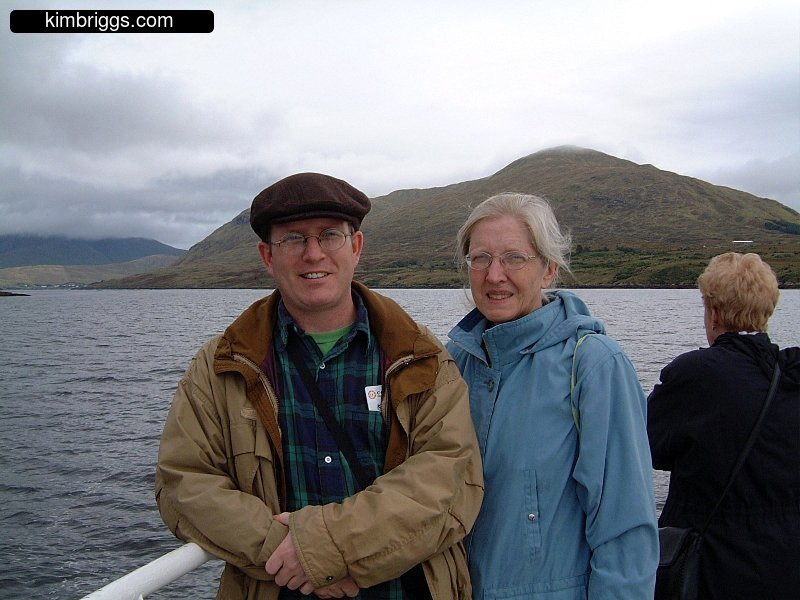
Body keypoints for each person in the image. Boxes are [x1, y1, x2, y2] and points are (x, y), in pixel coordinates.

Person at [155, 172, 484, 599]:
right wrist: (298, 556)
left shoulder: (421, 356)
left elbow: (451, 474)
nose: (313, 253)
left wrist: (326, 551)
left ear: (356, 247)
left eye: (330, 235)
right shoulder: (220, 366)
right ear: (267, 256)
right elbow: (184, 483)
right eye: (293, 239)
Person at [446, 193, 659, 598]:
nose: (494, 275)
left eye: (514, 258)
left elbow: (626, 531)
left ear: (548, 270)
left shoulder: (595, 364)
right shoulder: (453, 364)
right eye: (480, 259)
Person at [648, 252, 800, 599]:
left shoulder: (696, 375)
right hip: (787, 569)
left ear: (714, 312)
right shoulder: (791, 377)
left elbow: (645, 445)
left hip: (711, 570)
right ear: (767, 310)